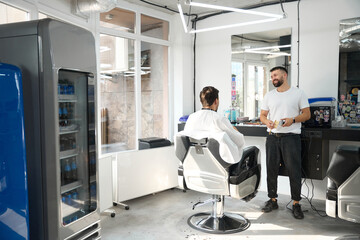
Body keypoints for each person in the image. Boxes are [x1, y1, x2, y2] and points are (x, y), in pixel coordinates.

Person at [260, 66, 310, 219]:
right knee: (271, 169)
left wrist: (293, 120)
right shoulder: (269, 95)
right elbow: (262, 115)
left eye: (275, 75)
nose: (273, 78)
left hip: (291, 137)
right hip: (273, 137)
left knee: (294, 171)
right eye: (272, 76)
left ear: (285, 75)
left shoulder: (298, 93)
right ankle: (272, 200)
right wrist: (266, 121)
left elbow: (307, 114)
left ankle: (296, 203)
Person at [183, 86, 245, 173]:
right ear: (216, 101)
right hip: (218, 168)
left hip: (197, 167)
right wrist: (234, 129)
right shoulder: (219, 119)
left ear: (201, 101)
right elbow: (239, 141)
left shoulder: (191, 117)